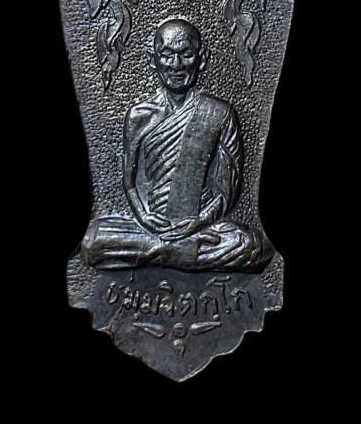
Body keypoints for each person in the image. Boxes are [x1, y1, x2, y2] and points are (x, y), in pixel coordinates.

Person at [82, 18, 270, 270]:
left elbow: (226, 192)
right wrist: (144, 217)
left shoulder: (219, 113)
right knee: (92, 242)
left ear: (201, 59)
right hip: (150, 226)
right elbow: (129, 182)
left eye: (186, 54)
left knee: (252, 245)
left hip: (201, 226)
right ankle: (173, 251)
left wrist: (199, 221)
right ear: (153, 60)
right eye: (167, 55)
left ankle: (159, 251)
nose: (176, 65)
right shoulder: (139, 116)